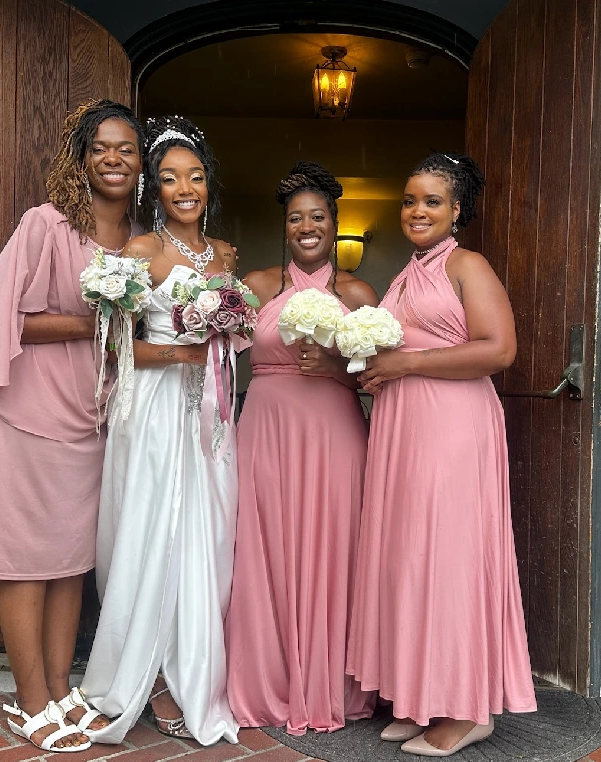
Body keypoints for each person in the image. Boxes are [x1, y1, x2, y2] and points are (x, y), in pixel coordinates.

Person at [0, 99, 145, 753]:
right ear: (82, 159)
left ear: (140, 161)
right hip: (31, 415)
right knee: (23, 563)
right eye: (101, 148)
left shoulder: (139, 241)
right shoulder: (47, 225)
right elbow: (6, 316)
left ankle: (61, 690)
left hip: (92, 421)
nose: (113, 159)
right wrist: (103, 315)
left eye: (125, 148)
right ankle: (29, 702)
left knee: (69, 563)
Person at [346, 152, 538, 757]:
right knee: (410, 555)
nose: (417, 210)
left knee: (449, 556)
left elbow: (499, 349)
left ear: (457, 210)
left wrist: (407, 363)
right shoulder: (406, 274)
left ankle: (466, 708)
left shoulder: (466, 264)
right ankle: (420, 695)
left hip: (453, 427)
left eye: (432, 200)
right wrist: (376, 372)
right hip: (405, 427)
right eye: (409, 199)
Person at [80, 115, 241, 747]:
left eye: (195, 177)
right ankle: (147, 678)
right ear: (156, 186)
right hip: (153, 409)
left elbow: (232, 339)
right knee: (153, 530)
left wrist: (226, 340)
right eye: (171, 177)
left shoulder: (225, 254)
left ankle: (192, 667)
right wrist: (186, 355)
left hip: (209, 412)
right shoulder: (140, 253)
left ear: (208, 186)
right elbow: (124, 349)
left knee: (209, 535)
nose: (184, 189)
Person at [226, 162, 378, 735]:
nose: (307, 226)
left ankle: (332, 684)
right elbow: (213, 350)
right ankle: (268, 681)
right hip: (266, 430)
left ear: (336, 225)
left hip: (335, 434)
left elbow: (381, 377)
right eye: (296, 218)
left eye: (318, 217)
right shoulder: (261, 286)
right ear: (284, 227)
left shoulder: (358, 292)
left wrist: (339, 366)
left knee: (334, 546)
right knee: (264, 547)